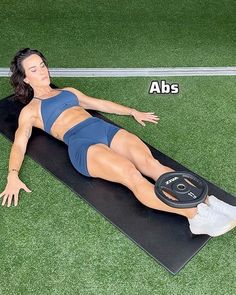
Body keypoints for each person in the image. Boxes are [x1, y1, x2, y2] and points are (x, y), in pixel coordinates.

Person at [1, 48, 236, 237]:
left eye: (42, 65)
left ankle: (210, 201)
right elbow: (20, 143)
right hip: (83, 145)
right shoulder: (31, 111)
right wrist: (12, 175)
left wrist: (132, 111)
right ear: (25, 78)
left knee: (151, 164)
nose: (42, 71)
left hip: (103, 129)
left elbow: (99, 104)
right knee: (131, 174)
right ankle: (194, 215)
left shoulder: (68, 91)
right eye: (34, 69)